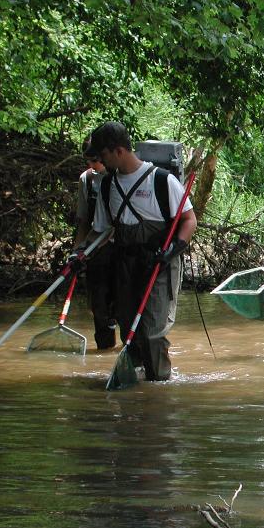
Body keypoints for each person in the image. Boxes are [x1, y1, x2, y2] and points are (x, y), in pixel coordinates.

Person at [82, 121, 197, 380]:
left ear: (118, 151)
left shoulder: (162, 180)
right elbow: (101, 230)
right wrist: (81, 253)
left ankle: (159, 387)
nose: (100, 160)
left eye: (103, 154)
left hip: (159, 264)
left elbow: (189, 220)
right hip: (124, 266)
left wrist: (173, 249)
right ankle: (136, 387)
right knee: (129, 331)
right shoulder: (107, 185)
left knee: (152, 332)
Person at [70, 140, 117, 350]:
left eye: (95, 160)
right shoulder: (87, 179)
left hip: (122, 249)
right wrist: (76, 252)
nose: (92, 165)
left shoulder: (120, 177)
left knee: (124, 306)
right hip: (96, 250)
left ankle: (131, 352)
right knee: (99, 307)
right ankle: (104, 351)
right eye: (88, 161)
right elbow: (83, 221)